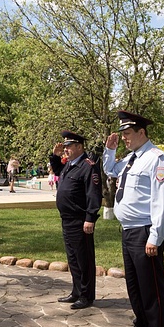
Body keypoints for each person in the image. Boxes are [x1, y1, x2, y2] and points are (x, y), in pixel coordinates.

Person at [103, 111, 164, 327]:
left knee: (152, 290)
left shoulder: (157, 158)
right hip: (128, 231)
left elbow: (162, 200)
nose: (124, 137)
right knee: (134, 287)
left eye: (127, 133)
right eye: (122, 134)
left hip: (145, 232)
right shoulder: (131, 158)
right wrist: (110, 150)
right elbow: (110, 170)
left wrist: (155, 237)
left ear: (141, 132)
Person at [49, 131, 102, 310]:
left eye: (69, 146)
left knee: (84, 260)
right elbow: (57, 170)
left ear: (79, 146)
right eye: (65, 147)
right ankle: (77, 291)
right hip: (67, 220)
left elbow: (93, 194)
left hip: (80, 221)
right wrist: (54, 156)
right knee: (73, 259)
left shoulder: (88, 166)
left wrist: (90, 218)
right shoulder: (70, 165)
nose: (66, 150)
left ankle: (87, 296)